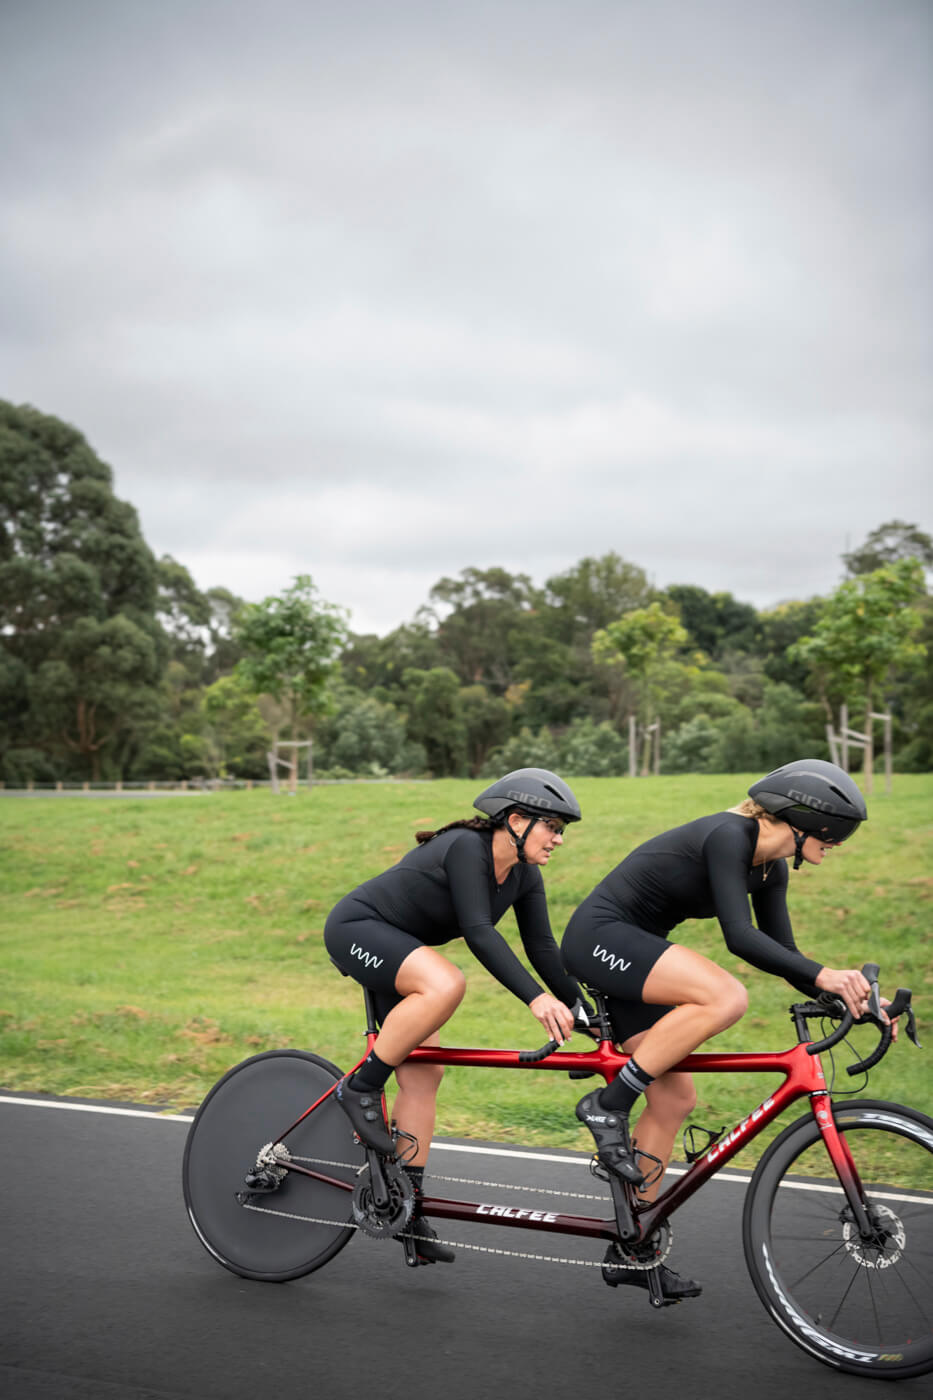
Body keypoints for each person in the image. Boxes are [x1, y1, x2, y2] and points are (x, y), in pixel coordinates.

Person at [561, 758, 877, 1303]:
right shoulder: (730, 835)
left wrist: (859, 999)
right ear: (804, 821)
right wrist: (824, 976)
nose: (837, 846)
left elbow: (783, 955)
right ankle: (607, 1104)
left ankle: (633, 1247)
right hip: (601, 939)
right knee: (725, 996)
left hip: (635, 954)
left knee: (675, 1098)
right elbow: (738, 937)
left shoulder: (771, 869)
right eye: (833, 836)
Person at [324, 767, 586, 1265]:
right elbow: (479, 931)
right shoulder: (470, 848)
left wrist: (579, 1007)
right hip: (358, 928)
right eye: (552, 826)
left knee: (425, 1074)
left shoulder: (525, 875)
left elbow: (543, 947)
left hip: (400, 947)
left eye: (562, 829)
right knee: (446, 982)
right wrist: (536, 1000)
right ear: (515, 820)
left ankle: (408, 1209)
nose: (558, 838)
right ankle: (359, 1088)